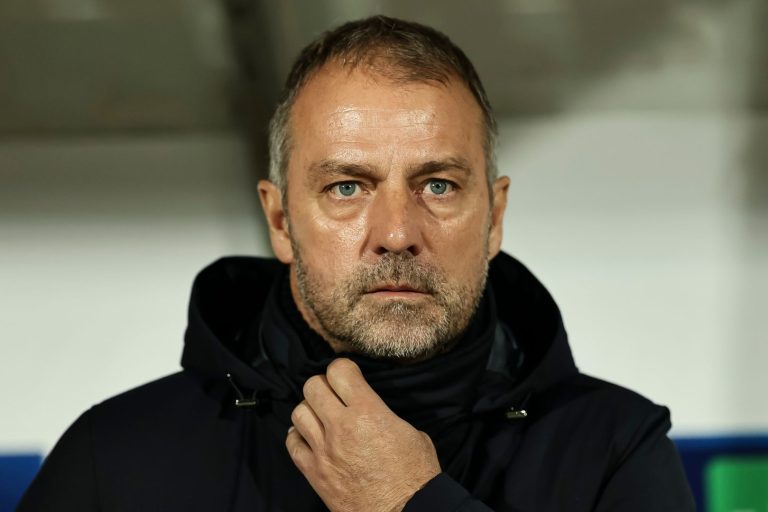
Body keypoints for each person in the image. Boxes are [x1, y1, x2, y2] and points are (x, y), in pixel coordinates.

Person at [19, 16, 695, 512]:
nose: (397, 233)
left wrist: (411, 503)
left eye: (438, 185)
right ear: (280, 221)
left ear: (494, 217)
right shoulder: (117, 458)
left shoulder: (614, 449)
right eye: (347, 187)